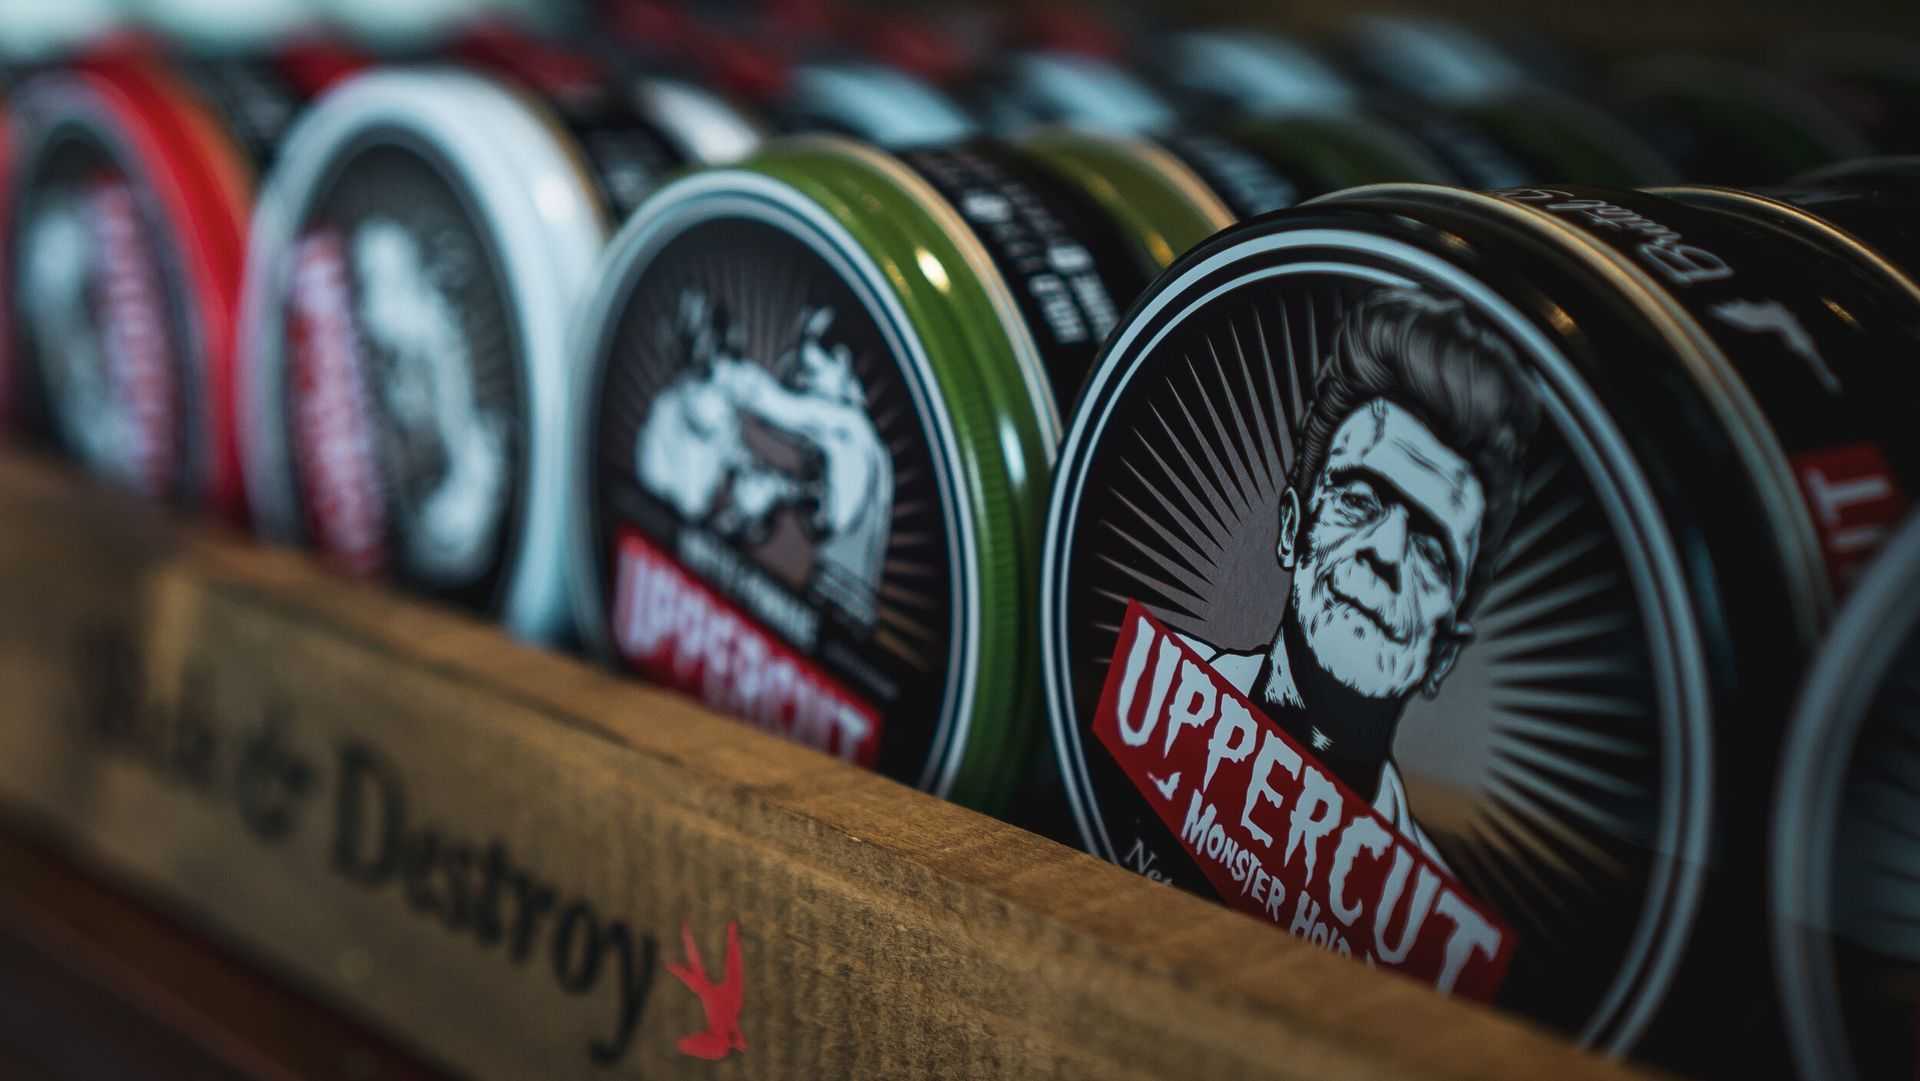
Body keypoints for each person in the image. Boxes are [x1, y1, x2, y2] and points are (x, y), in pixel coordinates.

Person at [1186, 288, 1538, 862]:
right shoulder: (1149, 689)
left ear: (1443, 653)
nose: (1387, 550)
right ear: (1292, 529)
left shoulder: (1430, 927)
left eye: (1432, 549)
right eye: (1360, 499)